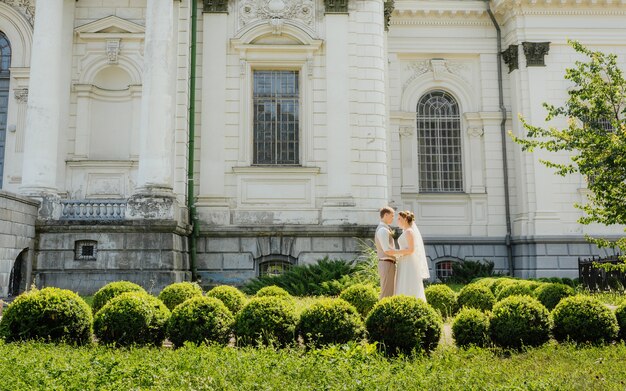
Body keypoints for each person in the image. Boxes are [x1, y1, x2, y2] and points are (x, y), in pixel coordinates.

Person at [386, 211, 429, 302]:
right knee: (403, 282)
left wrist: (395, 252)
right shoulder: (406, 231)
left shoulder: (409, 232)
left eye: (399, 219)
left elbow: (411, 250)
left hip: (409, 261)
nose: (397, 221)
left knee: (408, 282)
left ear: (405, 219)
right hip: (404, 260)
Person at [374, 206, 396, 299]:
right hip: (386, 263)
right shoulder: (383, 230)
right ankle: (381, 312)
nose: (393, 218)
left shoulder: (385, 229)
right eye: (392, 215)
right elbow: (386, 250)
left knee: (390, 292)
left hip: (388, 263)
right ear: (386, 215)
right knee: (386, 293)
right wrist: (402, 253)